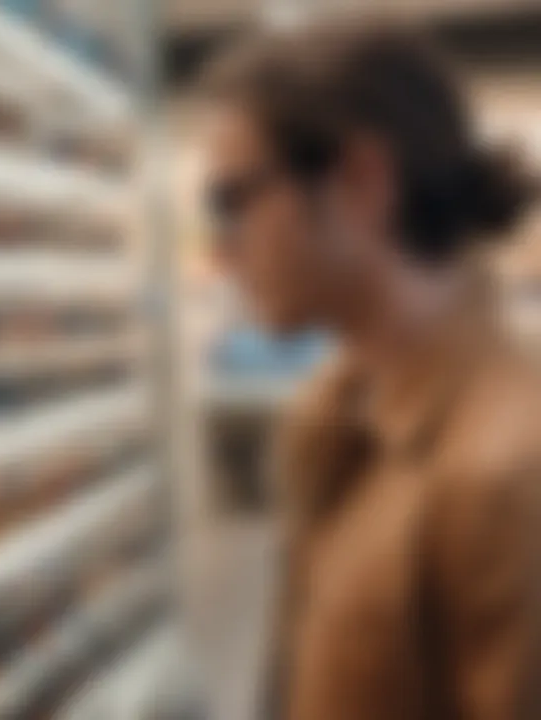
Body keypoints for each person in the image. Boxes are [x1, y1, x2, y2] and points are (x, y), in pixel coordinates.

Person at [200, 23, 541, 720]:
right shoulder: (335, 414)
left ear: (361, 180)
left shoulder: (505, 469)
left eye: (234, 203)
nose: (221, 251)